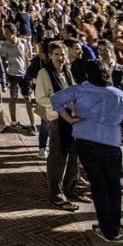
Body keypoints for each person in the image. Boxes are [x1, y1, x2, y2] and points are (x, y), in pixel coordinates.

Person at [51, 59, 123, 241]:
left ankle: (106, 226)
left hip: (86, 142)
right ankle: (114, 226)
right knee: (113, 186)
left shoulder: (79, 90)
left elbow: (56, 100)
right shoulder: (120, 95)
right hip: (111, 144)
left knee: (99, 185)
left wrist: (69, 119)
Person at [35, 41, 81, 210]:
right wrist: (63, 104)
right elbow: (41, 98)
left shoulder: (67, 72)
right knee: (57, 156)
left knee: (73, 155)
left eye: (63, 54)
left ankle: (70, 189)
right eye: (57, 54)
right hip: (57, 119)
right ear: (50, 55)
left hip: (72, 119)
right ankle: (56, 194)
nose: (61, 57)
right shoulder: (44, 73)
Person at [0, 27, 35, 134]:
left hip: (24, 74)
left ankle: (33, 124)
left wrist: (29, 71)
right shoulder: (4, 45)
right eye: (5, 33)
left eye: (7, 33)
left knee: (28, 99)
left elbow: (27, 56)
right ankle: (14, 121)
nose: (6, 35)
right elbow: (2, 60)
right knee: (13, 98)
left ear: (14, 32)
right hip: (12, 75)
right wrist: (4, 76)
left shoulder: (23, 41)